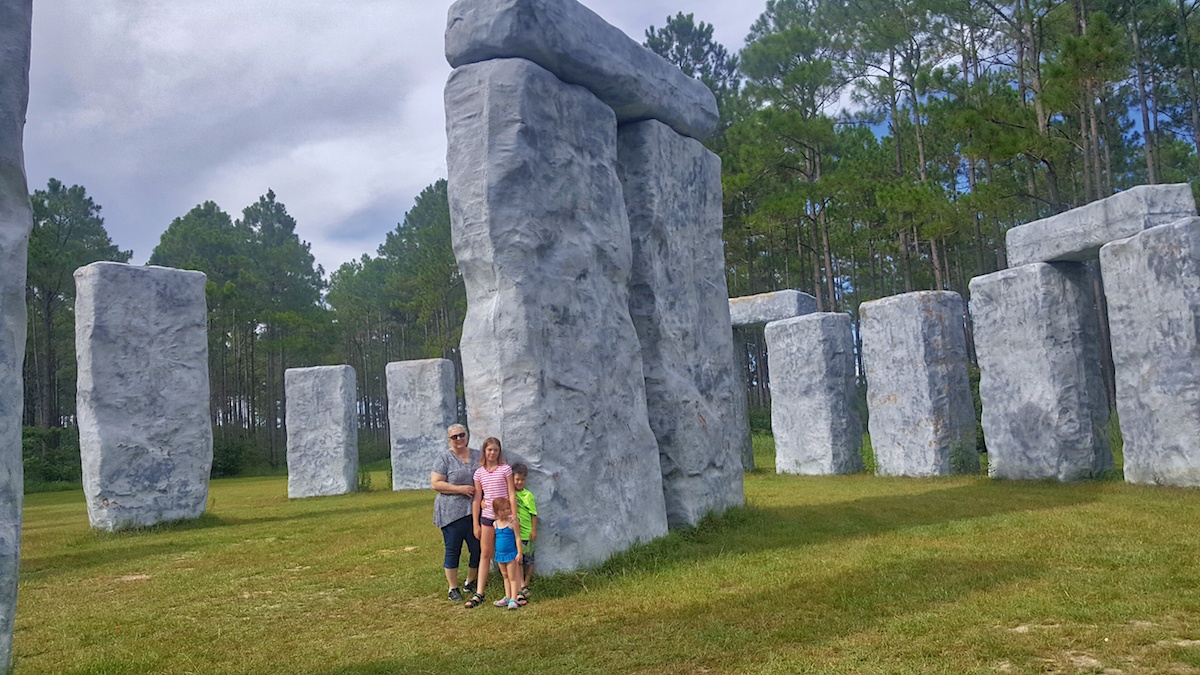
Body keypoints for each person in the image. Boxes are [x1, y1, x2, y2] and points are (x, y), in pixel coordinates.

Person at [430, 424, 480, 603]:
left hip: (474, 511)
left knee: (477, 548)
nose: (459, 439)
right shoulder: (444, 458)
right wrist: (460, 489)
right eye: (454, 437)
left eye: (461, 435)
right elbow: (436, 483)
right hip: (452, 513)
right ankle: (453, 588)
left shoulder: (477, 455)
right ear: (449, 439)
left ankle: (470, 582)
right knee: (453, 549)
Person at [465, 436, 516, 609]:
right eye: (489, 450)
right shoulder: (479, 473)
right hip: (487, 517)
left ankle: (514, 592)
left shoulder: (505, 469)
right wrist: (475, 523)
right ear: (484, 452)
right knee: (485, 554)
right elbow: (477, 497)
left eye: (495, 450)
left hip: (504, 518)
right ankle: (480, 591)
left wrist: (513, 517)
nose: (492, 453)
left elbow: (511, 493)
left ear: (499, 451)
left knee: (510, 553)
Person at [489, 496, 524, 610]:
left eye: (507, 508)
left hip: (511, 554)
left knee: (512, 577)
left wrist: (519, 552)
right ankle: (507, 597)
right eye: (502, 510)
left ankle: (514, 598)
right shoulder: (495, 524)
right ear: (496, 511)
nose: (506, 512)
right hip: (500, 555)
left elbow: (518, 538)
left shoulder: (513, 523)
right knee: (505, 576)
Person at [512, 462, 537, 606]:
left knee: (529, 560)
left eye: (522, 479)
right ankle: (521, 584)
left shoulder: (528, 495)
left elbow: (534, 514)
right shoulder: (511, 494)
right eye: (517, 479)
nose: (520, 482)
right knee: (519, 559)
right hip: (516, 534)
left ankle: (526, 582)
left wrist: (533, 530)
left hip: (527, 533)